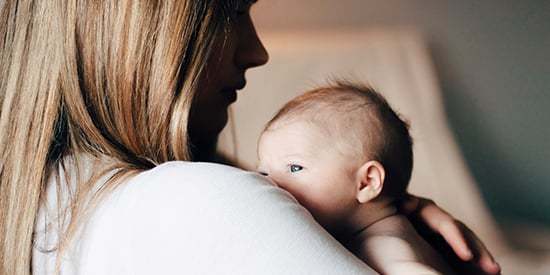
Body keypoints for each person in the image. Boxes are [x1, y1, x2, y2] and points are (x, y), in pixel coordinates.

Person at [0, 0, 500, 274]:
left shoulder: (44, 204)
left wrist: (389, 212)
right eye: (232, 10)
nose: (257, 51)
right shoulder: (193, 199)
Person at [257, 80, 453, 274]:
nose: (270, 182)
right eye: (263, 173)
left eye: (294, 168)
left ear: (367, 183)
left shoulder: (380, 244)